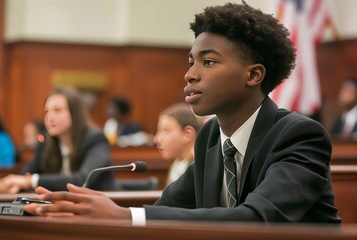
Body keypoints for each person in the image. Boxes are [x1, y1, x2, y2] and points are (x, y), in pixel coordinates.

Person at [25, 3, 341, 224]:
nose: (189, 74)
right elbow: (166, 208)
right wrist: (84, 211)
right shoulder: (209, 139)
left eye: (209, 62)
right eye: (191, 61)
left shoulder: (299, 136)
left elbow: (257, 218)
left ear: (253, 75)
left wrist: (127, 216)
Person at [0, 86, 114, 193]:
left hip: (103, 211)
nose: (49, 117)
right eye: (47, 111)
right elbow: (26, 174)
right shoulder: (46, 142)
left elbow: (82, 180)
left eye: (57, 110)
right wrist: (15, 184)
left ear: (74, 113)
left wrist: (31, 181)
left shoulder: (96, 139)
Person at [154, 103, 202, 186]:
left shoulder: (201, 168)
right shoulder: (177, 165)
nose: (157, 139)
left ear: (187, 134)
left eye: (166, 131)